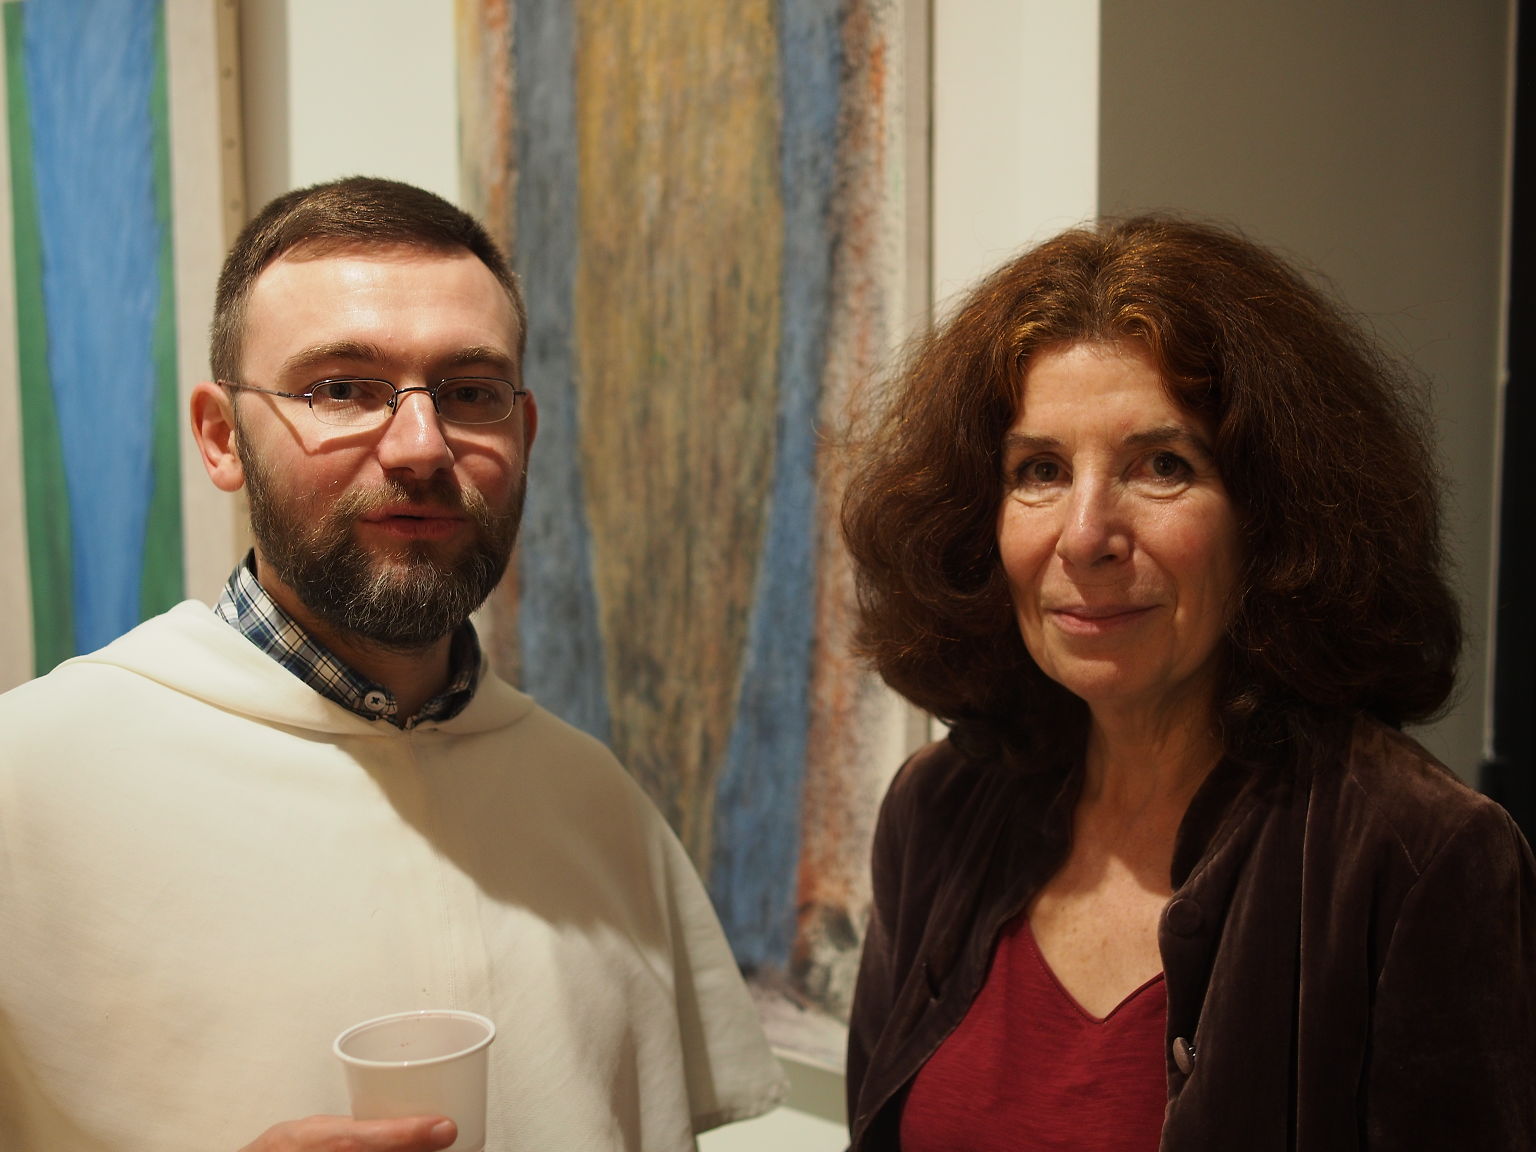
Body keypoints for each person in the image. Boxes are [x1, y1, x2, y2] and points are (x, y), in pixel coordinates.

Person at [0, 176, 784, 1152]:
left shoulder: (594, 802)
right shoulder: (27, 783)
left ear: (524, 433)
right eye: (340, 389)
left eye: (470, 394)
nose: (421, 447)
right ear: (221, 437)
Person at [840, 215, 1536, 1150]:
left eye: (1162, 466)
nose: (1085, 535)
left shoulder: (1416, 855)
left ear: (1275, 516)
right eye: (1040, 470)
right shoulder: (940, 808)